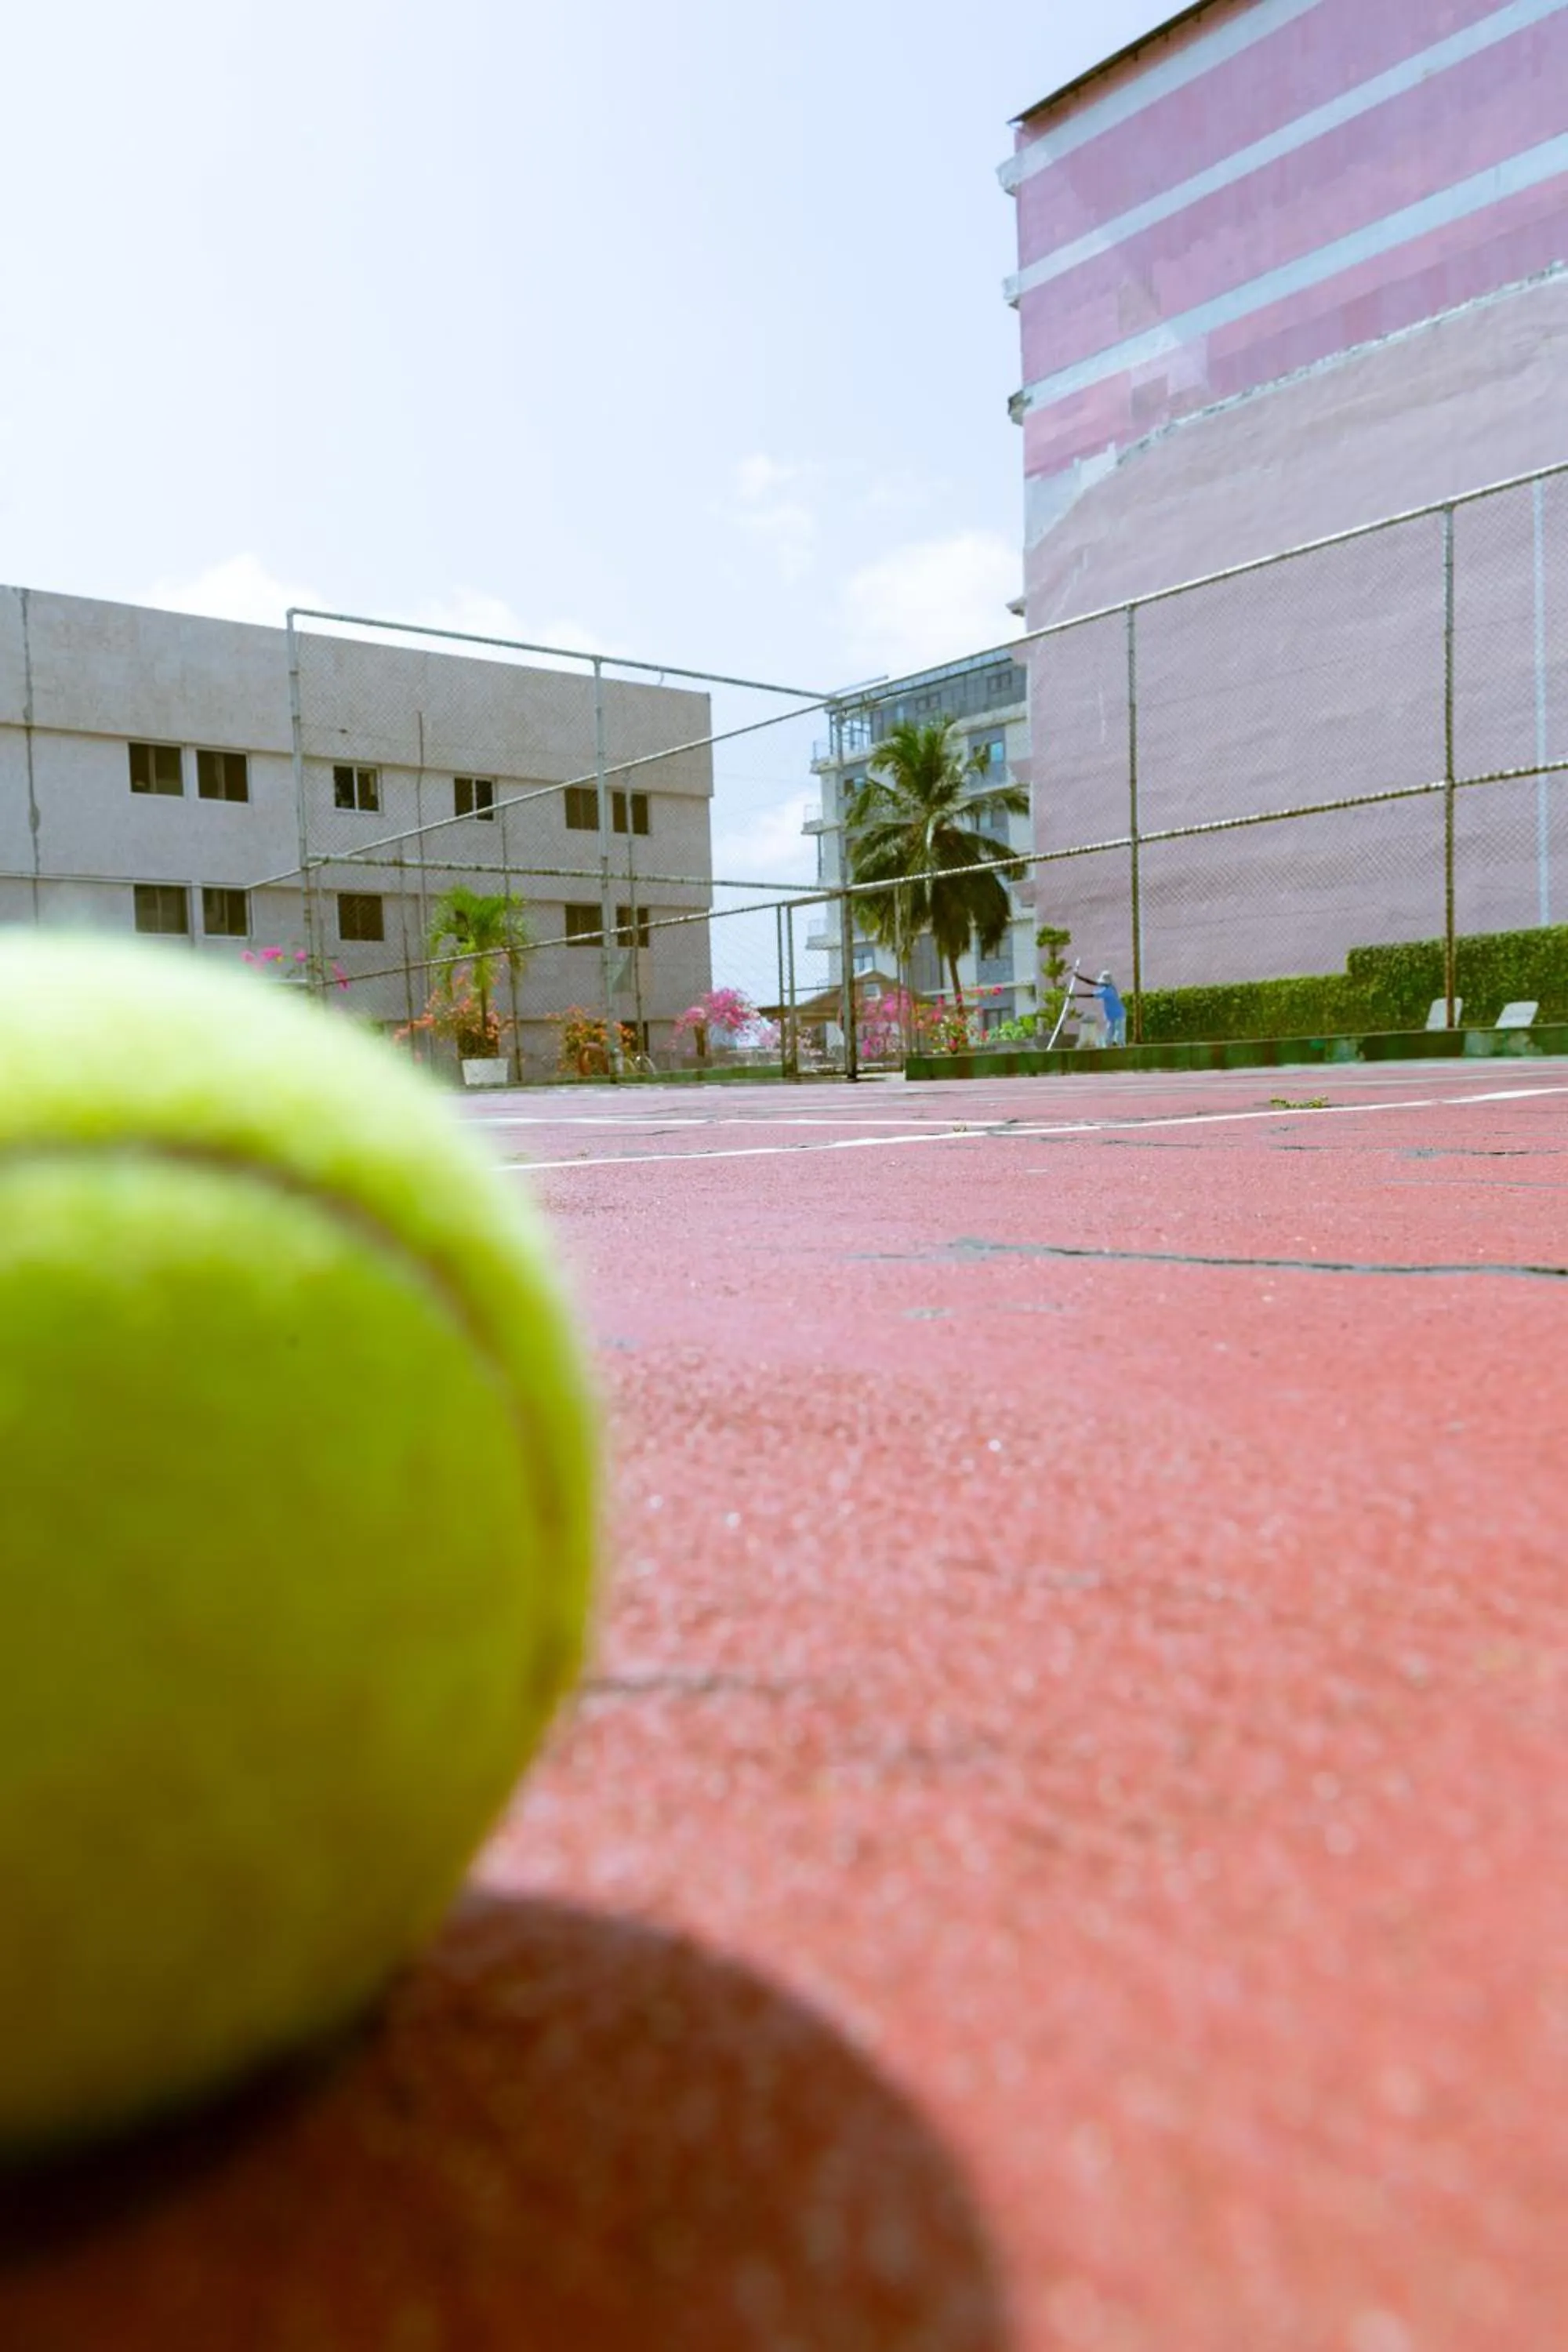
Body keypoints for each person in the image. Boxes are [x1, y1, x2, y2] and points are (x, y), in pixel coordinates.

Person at [1074, 967, 1127, 1047]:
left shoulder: (1108, 990)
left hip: (1118, 1015)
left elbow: (1091, 995)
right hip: (1111, 1016)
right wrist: (1079, 977)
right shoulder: (1107, 987)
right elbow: (1092, 982)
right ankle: (1108, 1049)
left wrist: (1076, 995)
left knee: (1119, 1036)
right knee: (1109, 1036)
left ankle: (1121, 1050)